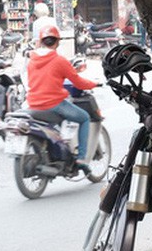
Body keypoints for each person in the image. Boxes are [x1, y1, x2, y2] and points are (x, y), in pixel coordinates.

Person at [26, 25, 98, 173]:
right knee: (84, 118)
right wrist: (94, 84)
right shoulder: (60, 61)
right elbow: (78, 82)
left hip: (32, 105)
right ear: (57, 42)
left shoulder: (31, 60)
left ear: (40, 42)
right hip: (53, 105)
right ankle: (81, 158)